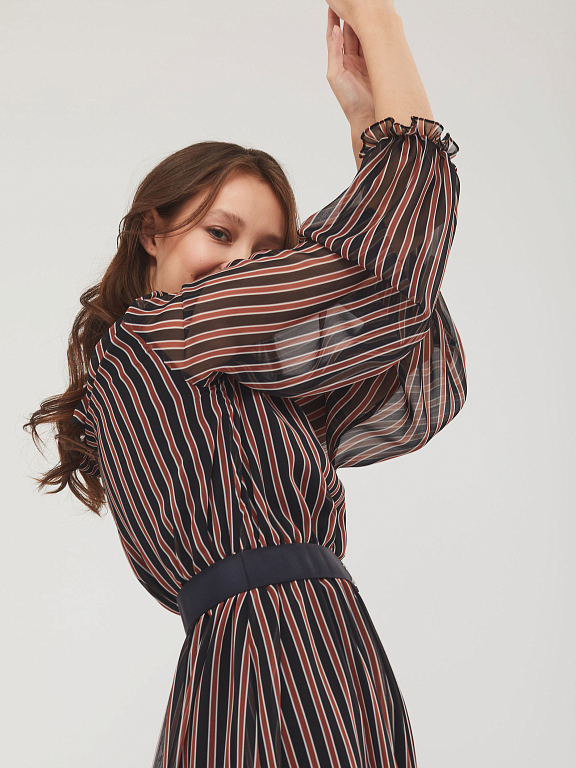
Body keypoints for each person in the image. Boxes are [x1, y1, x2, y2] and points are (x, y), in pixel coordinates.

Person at [24, 0, 466, 765]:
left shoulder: (218, 377)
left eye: (266, 255)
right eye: (220, 232)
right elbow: (379, 277)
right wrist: (380, 23)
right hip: (278, 652)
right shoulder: (168, 333)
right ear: (153, 230)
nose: (240, 266)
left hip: (304, 653)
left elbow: (410, 354)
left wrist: (366, 125)